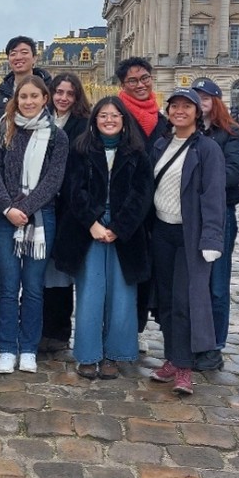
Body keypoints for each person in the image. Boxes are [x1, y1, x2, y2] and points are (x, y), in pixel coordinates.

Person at [53, 96, 151, 381]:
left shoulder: (136, 153)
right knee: (90, 293)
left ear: (124, 120)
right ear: (95, 120)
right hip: (89, 228)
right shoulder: (81, 150)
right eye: (103, 115)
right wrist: (92, 223)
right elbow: (74, 190)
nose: (109, 120)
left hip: (125, 231)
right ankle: (88, 354)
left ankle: (114, 354)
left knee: (122, 294)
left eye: (114, 115)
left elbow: (141, 195)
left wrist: (119, 227)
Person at [0, 74, 68, 374]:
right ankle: (7, 347)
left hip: (40, 217)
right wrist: (7, 207)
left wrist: (26, 207)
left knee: (33, 287)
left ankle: (29, 347)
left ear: (45, 99)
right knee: (8, 287)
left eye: (35, 96)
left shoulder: (58, 136)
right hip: (5, 216)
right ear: (15, 100)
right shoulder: (2, 129)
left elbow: (53, 180)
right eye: (24, 97)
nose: (29, 102)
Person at [146, 88, 226, 396]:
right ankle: (171, 356)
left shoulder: (206, 149)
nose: (180, 111)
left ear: (197, 113)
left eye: (186, 107)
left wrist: (212, 238)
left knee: (184, 301)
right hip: (162, 231)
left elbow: (213, 196)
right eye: (175, 106)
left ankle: (184, 368)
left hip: (190, 235)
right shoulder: (161, 145)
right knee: (164, 301)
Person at [190, 78, 239, 372]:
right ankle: (194, 340)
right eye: (195, 98)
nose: (200, 103)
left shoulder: (230, 133)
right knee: (192, 282)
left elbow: (233, 174)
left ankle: (214, 345)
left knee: (217, 284)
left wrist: (194, 183)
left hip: (219, 214)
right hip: (187, 216)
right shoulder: (185, 130)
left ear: (216, 102)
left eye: (205, 98)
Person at [113, 56, 171, 333]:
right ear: (123, 85)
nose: (140, 85)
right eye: (132, 81)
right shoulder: (115, 118)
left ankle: (139, 327)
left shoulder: (163, 120)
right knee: (126, 271)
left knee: (149, 270)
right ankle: (124, 328)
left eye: (144, 78)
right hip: (125, 206)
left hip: (157, 207)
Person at [40, 73, 92, 355]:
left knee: (61, 270)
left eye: (69, 94)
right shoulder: (40, 120)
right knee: (41, 271)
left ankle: (59, 331)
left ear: (77, 97)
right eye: (59, 92)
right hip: (43, 204)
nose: (63, 98)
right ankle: (43, 327)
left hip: (69, 206)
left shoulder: (83, 125)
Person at [0, 35, 52, 114]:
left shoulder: (50, 89)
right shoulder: (1, 92)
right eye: (13, 54)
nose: (18, 57)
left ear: (34, 58)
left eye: (24, 53)